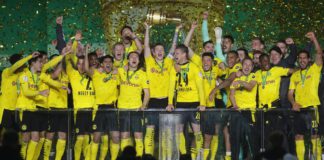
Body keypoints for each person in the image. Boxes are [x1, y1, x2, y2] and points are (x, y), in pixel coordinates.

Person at [143, 22, 177, 156]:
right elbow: (145, 45)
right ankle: (148, 156)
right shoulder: (149, 61)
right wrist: (147, 30)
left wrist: (176, 32)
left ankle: (167, 157)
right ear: (153, 52)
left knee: (166, 133)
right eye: (157, 50)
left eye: (162, 50)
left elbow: (173, 48)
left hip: (166, 102)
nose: (160, 52)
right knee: (150, 132)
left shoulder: (168, 62)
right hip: (152, 101)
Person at [167, 44, 205, 159]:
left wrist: (202, 103)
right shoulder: (174, 68)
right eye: (174, 54)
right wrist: (170, 103)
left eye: (177, 53)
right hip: (180, 104)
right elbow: (171, 87)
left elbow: (200, 87)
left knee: (197, 131)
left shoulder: (194, 67)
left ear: (184, 54)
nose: (175, 55)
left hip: (194, 103)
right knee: (178, 131)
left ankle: (198, 156)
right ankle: (183, 156)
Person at [288, 32, 322, 160]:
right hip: (299, 109)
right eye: (300, 58)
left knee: (315, 136)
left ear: (308, 59)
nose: (302, 60)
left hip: (312, 108)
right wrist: (293, 103)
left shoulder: (314, 69)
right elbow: (290, 93)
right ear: (298, 60)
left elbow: (319, 54)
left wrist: (314, 39)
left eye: (304, 58)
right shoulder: (295, 75)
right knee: (298, 136)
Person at [84, 45, 120, 160]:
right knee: (96, 138)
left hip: (112, 109)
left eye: (110, 62)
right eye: (105, 62)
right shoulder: (96, 75)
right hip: (99, 109)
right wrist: (86, 52)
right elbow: (85, 68)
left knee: (115, 138)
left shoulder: (116, 75)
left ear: (112, 64)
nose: (108, 63)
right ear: (102, 64)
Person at [16, 54, 49, 160]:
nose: (41, 64)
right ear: (32, 63)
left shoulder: (37, 78)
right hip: (24, 110)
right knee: (25, 139)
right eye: (39, 62)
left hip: (33, 110)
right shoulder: (24, 76)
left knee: (36, 138)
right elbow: (26, 92)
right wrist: (40, 92)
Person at [118, 51, 150, 157]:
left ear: (139, 61)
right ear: (128, 60)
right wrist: (123, 67)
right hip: (122, 109)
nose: (134, 58)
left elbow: (147, 93)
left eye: (136, 57)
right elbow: (108, 72)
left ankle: (139, 157)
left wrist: (143, 106)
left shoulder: (142, 74)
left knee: (138, 136)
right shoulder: (121, 71)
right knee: (124, 136)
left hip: (136, 109)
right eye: (131, 57)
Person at [65, 48, 95, 160]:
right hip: (79, 112)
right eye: (79, 63)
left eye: (84, 64)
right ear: (76, 65)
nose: (81, 66)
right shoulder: (72, 74)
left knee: (89, 138)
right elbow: (68, 59)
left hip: (92, 111)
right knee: (80, 139)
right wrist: (73, 45)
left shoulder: (93, 74)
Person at [0, 52, 39, 133]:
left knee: (16, 132)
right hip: (5, 108)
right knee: (3, 132)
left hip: (16, 109)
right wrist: (30, 56)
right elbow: (16, 66)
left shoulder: (21, 74)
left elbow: (35, 69)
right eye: (22, 62)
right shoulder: (7, 72)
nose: (24, 64)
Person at [42, 51, 71, 160]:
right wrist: (61, 56)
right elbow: (55, 74)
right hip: (52, 108)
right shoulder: (49, 74)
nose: (57, 63)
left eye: (58, 61)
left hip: (64, 109)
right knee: (50, 135)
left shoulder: (66, 75)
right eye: (55, 61)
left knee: (63, 136)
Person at [229, 58, 257, 159]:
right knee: (235, 139)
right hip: (237, 112)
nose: (247, 67)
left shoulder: (253, 76)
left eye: (250, 65)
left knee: (250, 140)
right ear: (242, 66)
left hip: (249, 112)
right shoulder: (235, 79)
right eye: (245, 64)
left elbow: (250, 87)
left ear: (252, 67)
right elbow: (231, 95)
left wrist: (240, 82)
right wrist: (235, 105)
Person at [200, 52, 224, 160]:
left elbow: (223, 67)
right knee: (202, 137)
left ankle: (212, 158)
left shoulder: (215, 70)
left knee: (214, 134)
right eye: (204, 60)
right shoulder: (197, 70)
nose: (206, 62)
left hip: (212, 107)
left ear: (212, 62)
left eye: (208, 60)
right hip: (200, 106)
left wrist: (215, 90)